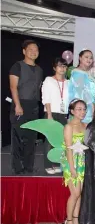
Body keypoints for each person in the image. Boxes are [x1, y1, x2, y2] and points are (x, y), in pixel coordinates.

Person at [9, 39, 43, 174]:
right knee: (18, 137)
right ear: (24, 51)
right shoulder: (17, 66)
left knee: (31, 138)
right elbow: (13, 87)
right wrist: (17, 105)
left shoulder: (40, 69)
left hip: (34, 106)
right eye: (30, 49)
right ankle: (17, 167)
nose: (34, 52)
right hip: (20, 104)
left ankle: (29, 166)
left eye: (36, 50)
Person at [60, 99, 87, 224]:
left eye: (84, 109)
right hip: (70, 162)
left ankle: (76, 220)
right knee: (75, 193)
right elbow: (68, 149)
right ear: (72, 111)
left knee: (79, 192)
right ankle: (69, 220)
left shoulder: (85, 125)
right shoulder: (68, 126)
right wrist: (72, 168)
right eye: (79, 109)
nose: (82, 112)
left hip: (82, 161)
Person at [41, 57, 68, 174]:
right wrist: (49, 115)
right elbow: (46, 98)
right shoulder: (48, 80)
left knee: (61, 141)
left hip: (64, 114)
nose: (62, 68)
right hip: (51, 113)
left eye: (64, 66)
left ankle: (57, 162)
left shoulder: (68, 82)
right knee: (49, 140)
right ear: (54, 68)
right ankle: (47, 164)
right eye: (59, 66)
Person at [68, 49, 95, 124]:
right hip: (81, 111)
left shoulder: (88, 74)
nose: (89, 59)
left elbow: (91, 93)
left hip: (89, 110)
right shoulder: (77, 73)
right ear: (80, 58)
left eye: (91, 58)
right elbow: (80, 93)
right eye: (86, 57)